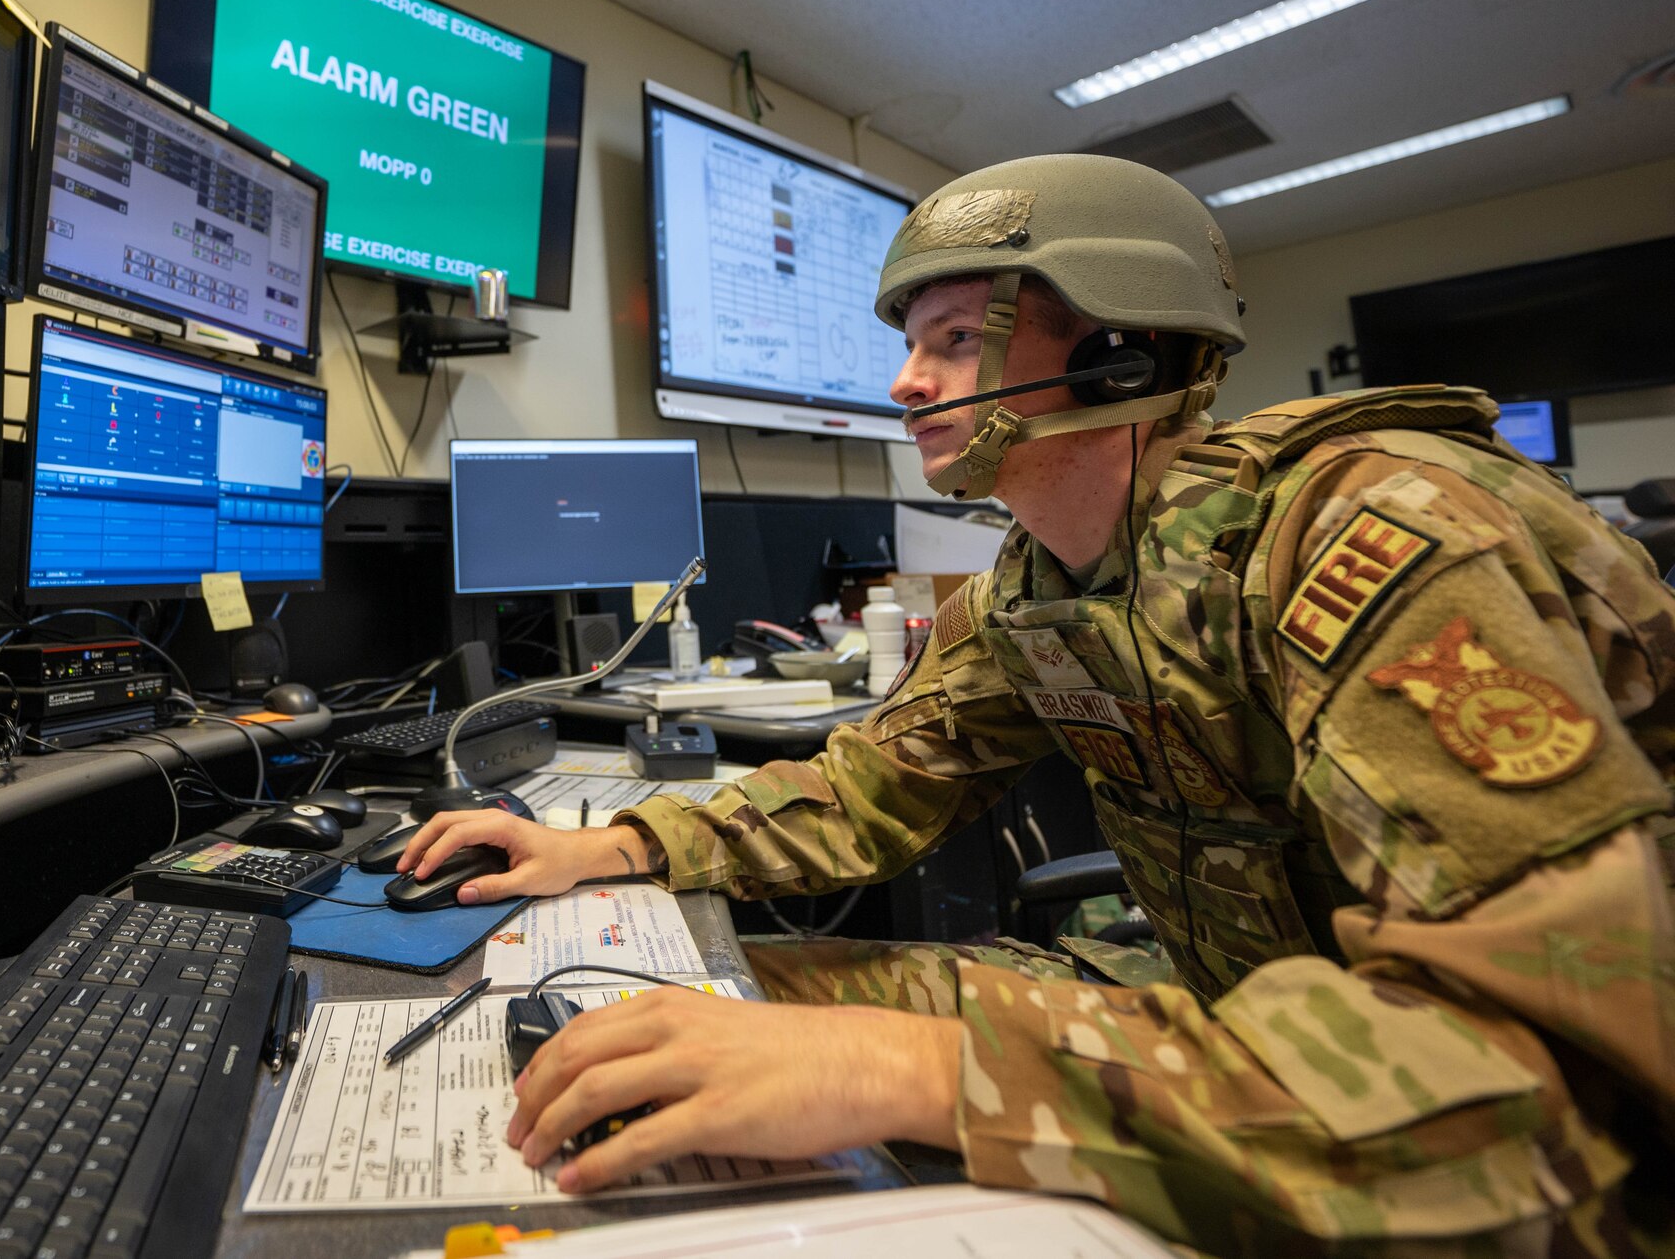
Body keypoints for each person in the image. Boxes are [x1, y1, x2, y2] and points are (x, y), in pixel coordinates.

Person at [398, 155, 1675, 1256]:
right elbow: (867, 787)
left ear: (1123, 355)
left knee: (830, 1053)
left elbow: (1537, 1075)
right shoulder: (1035, 584)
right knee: (687, 1008)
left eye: (957, 340)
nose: (905, 384)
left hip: (1517, 1125)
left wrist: (913, 1068)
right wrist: (617, 842)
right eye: (912, 344)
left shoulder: (1369, 533)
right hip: (1243, 1015)